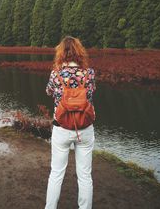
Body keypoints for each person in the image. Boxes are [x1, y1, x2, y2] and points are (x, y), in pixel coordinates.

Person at [45, 36, 96, 209]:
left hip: (61, 128)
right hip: (85, 129)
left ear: (61, 52)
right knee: (85, 176)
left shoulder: (56, 73)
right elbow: (91, 93)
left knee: (56, 174)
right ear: (79, 51)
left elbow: (49, 92)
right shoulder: (89, 73)